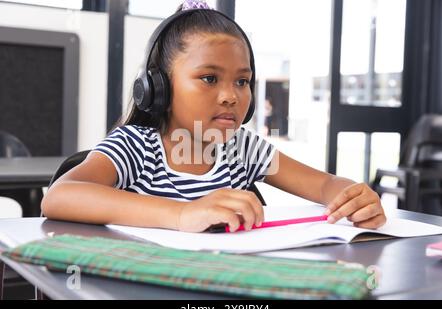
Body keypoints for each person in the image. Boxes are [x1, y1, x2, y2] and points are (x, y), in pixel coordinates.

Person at [41, 1, 386, 233]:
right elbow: (59, 196)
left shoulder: (243, 150)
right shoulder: (136, 148)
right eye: (209, 78)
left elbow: (324, 185)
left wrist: (350, 195)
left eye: (242, 81)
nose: (230, 95)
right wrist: (181, 214)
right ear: (158, 87)